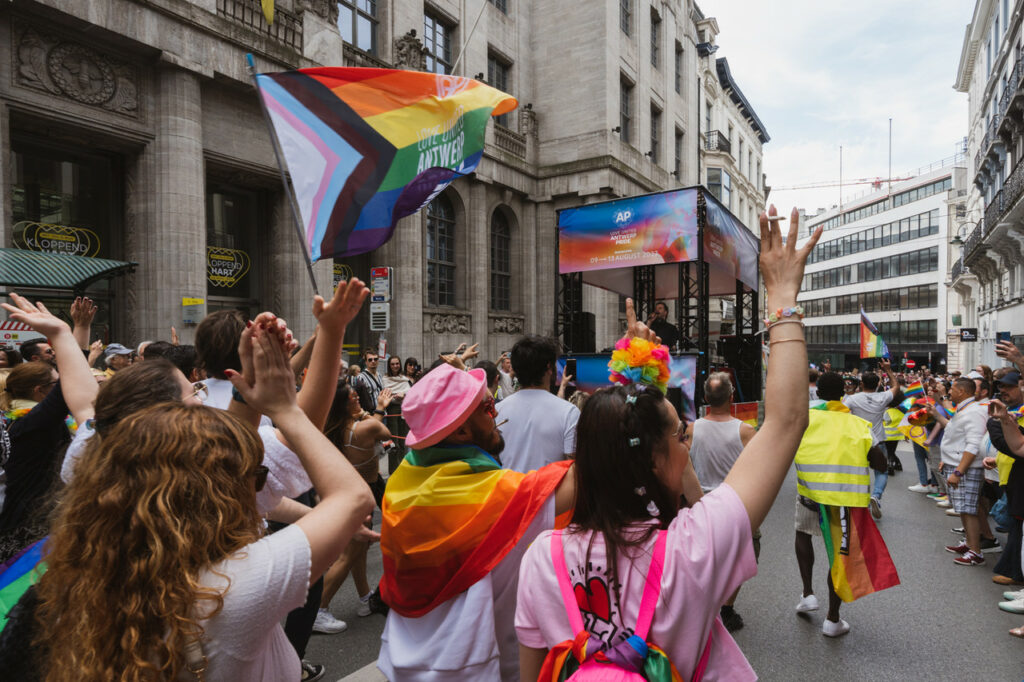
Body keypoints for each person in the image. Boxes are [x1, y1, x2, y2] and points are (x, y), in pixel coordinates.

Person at [515, 206, 821, 680]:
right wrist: (782, 299)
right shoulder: (693, 550)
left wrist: (638, 373)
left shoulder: (543, 556)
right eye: (680, 436)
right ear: (657, 461)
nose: (686, 444)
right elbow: (787, 422)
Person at [30, 322, 375, 681]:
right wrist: (287, 409)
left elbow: (85, 403)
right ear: (209, 487)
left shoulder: (93, 561)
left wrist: (63, 334)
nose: (203, 399)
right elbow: (352, 498)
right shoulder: (236, 586)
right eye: (193, 394)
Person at [377, 359, 576, 681]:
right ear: (460, 431)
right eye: (487, 407)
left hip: (401, 666)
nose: (496, 413)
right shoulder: (498, 498)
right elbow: (592, 468)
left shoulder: (400, 487)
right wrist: (636, 373)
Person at [792, 371, 888, 637]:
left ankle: (808, 593)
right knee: (839, 556)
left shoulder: (806, 418)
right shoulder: (857, 424)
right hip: (844, 500)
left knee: (803, 534)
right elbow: (881, 463)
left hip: (810, 493)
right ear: (842, 393)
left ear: (819, 393)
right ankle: (832, 619)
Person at [316, 381, 393, 633]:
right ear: (342, 404)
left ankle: (364, 598)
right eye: (352, 396)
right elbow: (384, 432)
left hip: (352, 489)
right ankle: (318, 609)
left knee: (359, 550)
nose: (357, 396)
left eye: (356, 394)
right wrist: (380, 407)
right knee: (349, 554)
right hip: (361, 492)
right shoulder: (365, 425)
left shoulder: (339, 427)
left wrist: (363, 413)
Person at [687, 371, 757, 632]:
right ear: (732, 395)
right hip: (734, 504)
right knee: (740, 556)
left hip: (701, 503)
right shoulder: (746, 432)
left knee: (704, 557)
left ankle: (703, 604)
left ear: (705, 397)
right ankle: (727, 608)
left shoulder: (692, 429)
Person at [495, 335, 580, 473]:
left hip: (509, 493)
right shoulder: (569, 412)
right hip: (550, 493)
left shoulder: (497, 410)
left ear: (515, 369)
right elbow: (574, 468)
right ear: (549, 367)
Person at [932, 377, 990, 566]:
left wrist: (958, 471)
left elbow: (973, 445)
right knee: (964, 509)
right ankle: (969, 544)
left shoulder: (973, 412)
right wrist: (936, 415)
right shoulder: (964, 408)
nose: (950, 392)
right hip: (958, 465)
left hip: (966, 469)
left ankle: (976, 552)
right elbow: (953, 430)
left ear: (963, 392)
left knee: (968, 509)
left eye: (953, 389)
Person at [842, 359, 903, 519]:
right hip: (878, 441)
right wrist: (889, 370)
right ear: (877, 385)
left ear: (861, 384)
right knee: (881, 471)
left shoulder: (852, 399)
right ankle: (876, 496)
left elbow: (842, 414)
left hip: (858, 441)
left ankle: (859, 501)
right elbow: (896, 387)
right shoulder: (883, 397)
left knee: (858, 472)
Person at [355, 348, 384, 413]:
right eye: (370, 360)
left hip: (382, 412)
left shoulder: (379, 375)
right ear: (366, 362)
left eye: (375, 359)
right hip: (369, 414)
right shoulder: (360, 377)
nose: (373, 361)